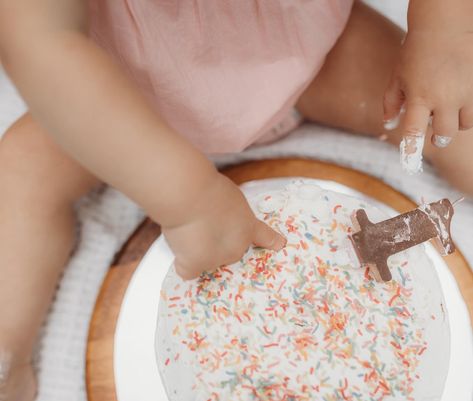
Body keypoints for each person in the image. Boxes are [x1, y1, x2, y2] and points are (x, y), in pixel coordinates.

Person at [0, 1, 472, 399]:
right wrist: (185, 197)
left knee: (449, 115)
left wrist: (443, 29)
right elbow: (36, 39)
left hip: (307, 50)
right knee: (20, 174)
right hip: (125, 99)